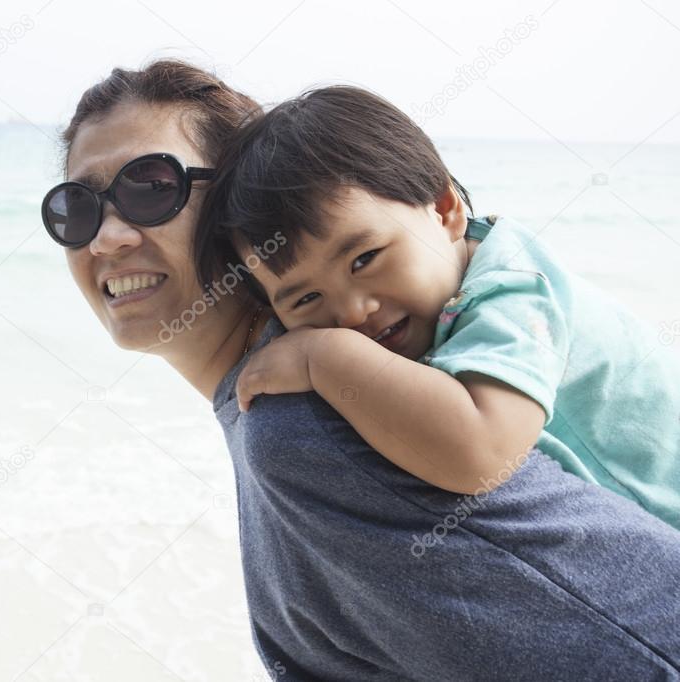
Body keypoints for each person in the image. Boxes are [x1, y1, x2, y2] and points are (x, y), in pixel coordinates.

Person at [42, 59, 680, 680]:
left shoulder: (318, 422)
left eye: (151, 187)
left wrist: (327, 356)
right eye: (75, 209)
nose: (106, 238)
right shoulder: (302, 401)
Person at [195, 85, 680, 530]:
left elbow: (481, 454)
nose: (351, 313)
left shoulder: (512, 288)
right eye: (305, 299)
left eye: (364, 259)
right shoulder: (438, 291)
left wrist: (319, 356)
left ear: (445, 209)